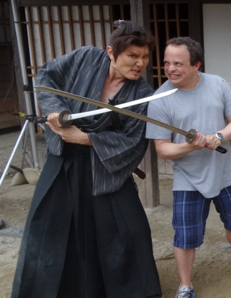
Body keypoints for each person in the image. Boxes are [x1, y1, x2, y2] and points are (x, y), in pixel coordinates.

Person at [12, 21, 161, 298]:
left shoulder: (142, 94)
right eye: (133, 55)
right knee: (51, 231)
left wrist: (88, 138)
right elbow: (46, 76)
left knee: (129, 232)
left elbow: (134, 140)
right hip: (63, 163)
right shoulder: (85, 57)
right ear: (110, 52)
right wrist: (56, 112)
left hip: (105, 167)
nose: (140, 63)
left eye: (144, 56)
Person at [146, 37, 231, 298]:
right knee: (185, 235)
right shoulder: (160, 99)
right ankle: (185, 285)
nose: (171, 68)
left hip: (226, 172)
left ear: (196, 64)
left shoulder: (217, 84)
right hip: (188, 178)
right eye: (166, 63)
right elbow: (163, 149)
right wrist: (191, 146)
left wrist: (218, 136)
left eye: (178, 63)